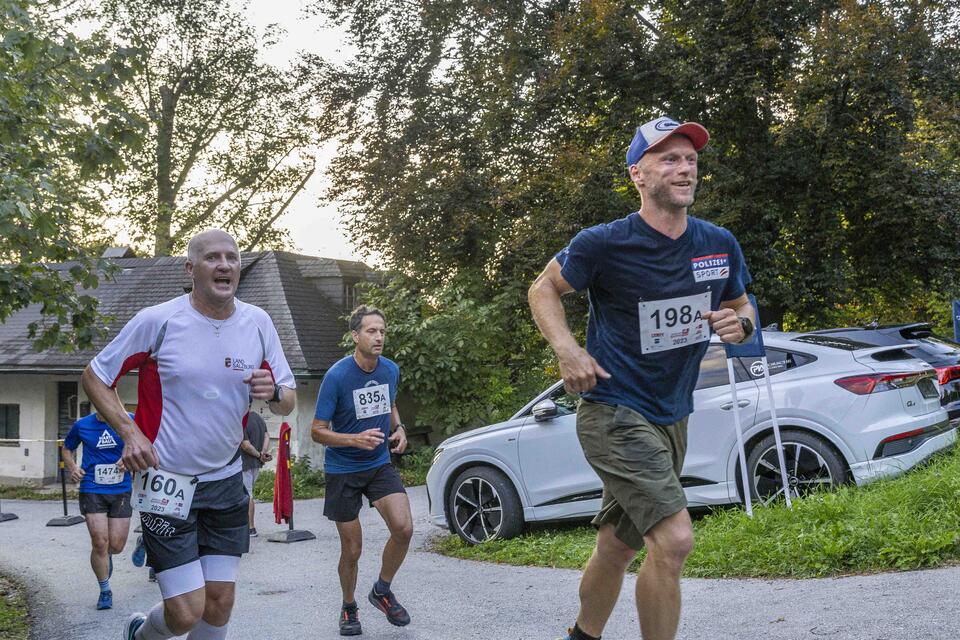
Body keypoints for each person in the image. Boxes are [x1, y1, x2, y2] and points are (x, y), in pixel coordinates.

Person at [528, 116, 755, 640]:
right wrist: (567, 350)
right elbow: (543, 289)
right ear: (638, 173)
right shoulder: (603, 243)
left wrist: (737, 324)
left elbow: (744, 311)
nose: (685, 169)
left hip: (672, 412)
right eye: (669, 159)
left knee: (619, 544)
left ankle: (582, 636)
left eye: (691, 160)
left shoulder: (717, 244)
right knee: (674, 540)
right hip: (612, 407)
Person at [81, 229, 296, 640]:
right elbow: (95, 375)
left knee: (219, 603)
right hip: (167, 482)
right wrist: (130, 433)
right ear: (191, 268)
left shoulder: (258, 323)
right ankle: (141, 634)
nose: (225, 265)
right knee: (184, 611)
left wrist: (275, 394)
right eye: (212, 258)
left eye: (231, 257)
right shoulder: (159, 321)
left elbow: (287, 399)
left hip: (226, 480)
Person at [311, 305, 412, 636]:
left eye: (382, 331)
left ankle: (381, 591)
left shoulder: (390, 370)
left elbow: (390, 403)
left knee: (404, 528)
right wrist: (353, 439)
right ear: (355, 336)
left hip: (379, 463)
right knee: (352, 550)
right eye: (371, 331)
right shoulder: (337, 376)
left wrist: (399, 429)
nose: (379, 337)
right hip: (343, 469)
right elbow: (317, 430)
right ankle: (349, 606)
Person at [62, 409, 134, 611]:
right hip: (92, 487)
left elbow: (147, 441)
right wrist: (73, 468)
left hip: (121, 489)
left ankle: (108, 554)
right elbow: (67, 448)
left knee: (116, 546)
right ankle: (105, 590)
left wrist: (129, 458)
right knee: (99, 541)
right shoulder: (82, 425)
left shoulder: (130, 420)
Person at [239, 410, 272, 537]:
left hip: (245, 463)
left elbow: (245, 445)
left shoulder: (242, 419)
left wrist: (259, 455)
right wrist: (263, 453)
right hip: (255, 464)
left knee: (247, 495)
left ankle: (250, 528)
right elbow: (267, 435)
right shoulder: (258, 417)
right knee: (248, 492)